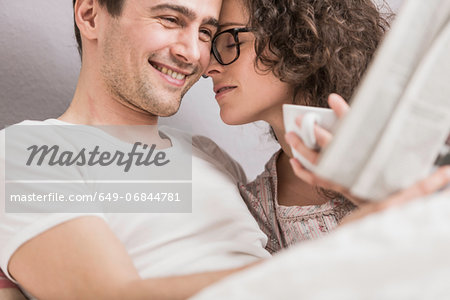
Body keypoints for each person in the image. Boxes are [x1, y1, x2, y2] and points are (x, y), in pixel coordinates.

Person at [0, 0, 448, 299]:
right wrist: (342, 257)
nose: (195, 55)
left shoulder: (210, 156)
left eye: (208, 33)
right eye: (171, 20)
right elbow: (107, 296)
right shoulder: (30, 150)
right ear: (91, 15)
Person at [204, 0, 391, 253]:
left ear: (294, 35)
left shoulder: (403, 136)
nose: (208, 68)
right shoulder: (260, 208)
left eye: (230, 42)